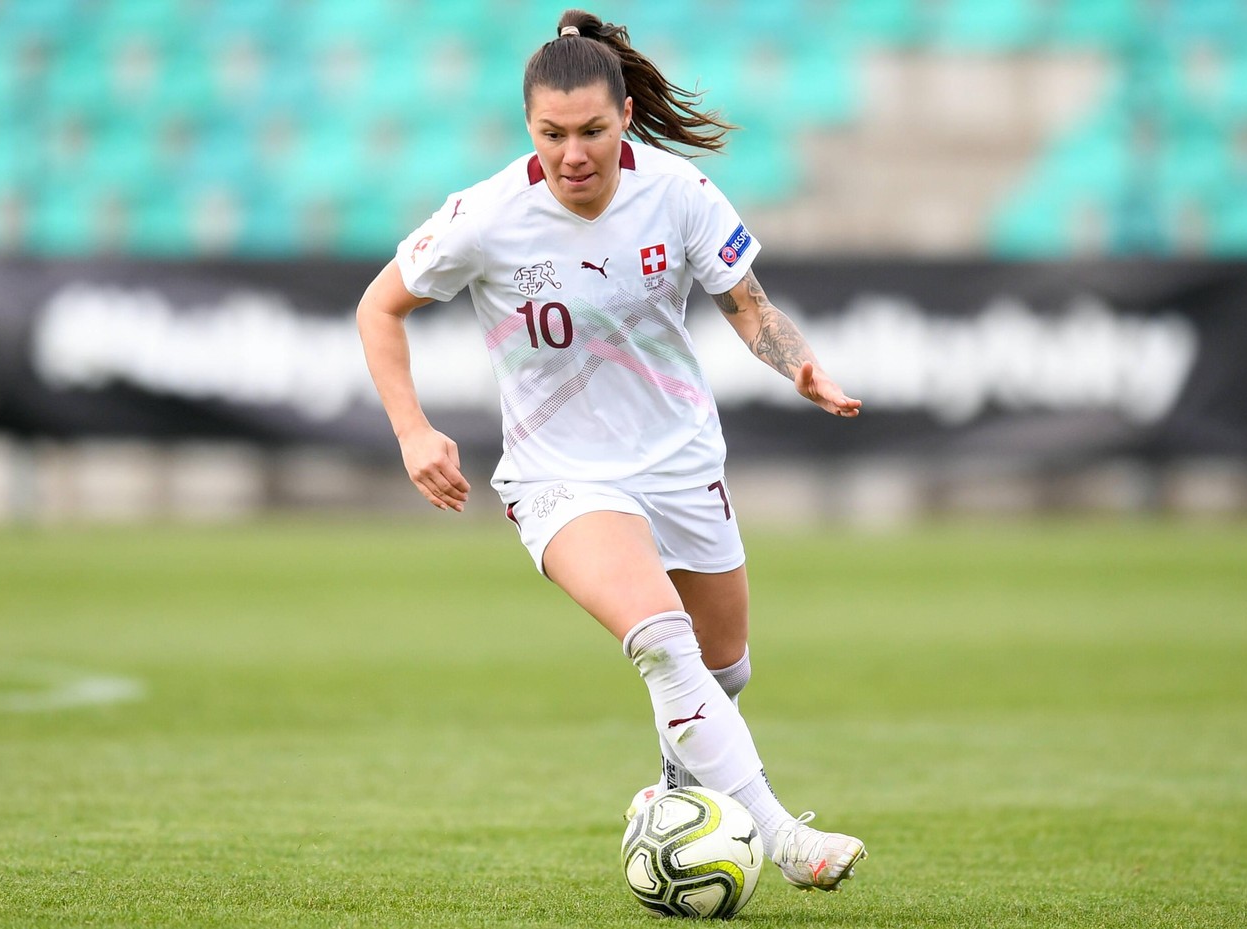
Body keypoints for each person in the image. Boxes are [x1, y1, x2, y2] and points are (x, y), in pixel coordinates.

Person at [355, 9, 867, 891]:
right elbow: (379, 306)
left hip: (680, 464)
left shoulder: (679, 193)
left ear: (625, 118)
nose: (573, 154)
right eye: (552, 134)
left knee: (724, 668)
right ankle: (784, 837)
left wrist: (800, 366)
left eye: (592, 130)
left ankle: (671, 795)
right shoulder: (485, 215)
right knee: (663, 643)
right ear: (529, 129)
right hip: (561, 478)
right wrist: (412, 428)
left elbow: (747, 305)